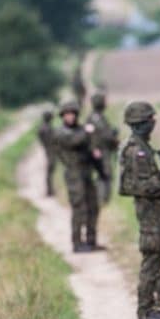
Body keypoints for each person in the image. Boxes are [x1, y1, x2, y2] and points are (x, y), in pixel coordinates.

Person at [117, 101, 160, 319]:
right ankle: (145, 312)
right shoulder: (137, 151)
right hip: (151, 214)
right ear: (140, 123)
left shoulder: (143, 146)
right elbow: (140, 186)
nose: (153, 123)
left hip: (157, 212)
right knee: (152, 259)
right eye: (150, 119)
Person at [54, 100, 105, 252]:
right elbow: (74, 141)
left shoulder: (81, 129)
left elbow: (91, 144)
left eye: (72, 114)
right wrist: (87, 132)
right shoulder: (61, 132)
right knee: (79, 208)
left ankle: (91, 240)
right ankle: (77, 243)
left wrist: (95, 153)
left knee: (93, 207)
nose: (69, 117)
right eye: (67, 115)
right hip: (74, 174)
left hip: (86, 172)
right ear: (63, 116)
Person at [87, 92, 120, 203]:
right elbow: (106, 135)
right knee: (104, 175)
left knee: (104, 175)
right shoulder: (97, 118)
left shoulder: (96, 116)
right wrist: (113, 134)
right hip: (101, 151)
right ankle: (102, 199)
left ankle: (102, 199)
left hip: (101, 150)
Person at [37, 108, 57, 197]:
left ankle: (50, 189)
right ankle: (49, 190)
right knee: (50, 170)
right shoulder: (47, 128)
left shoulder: (43, 127)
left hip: (48, 150)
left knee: (50, 171)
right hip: (50, 150)